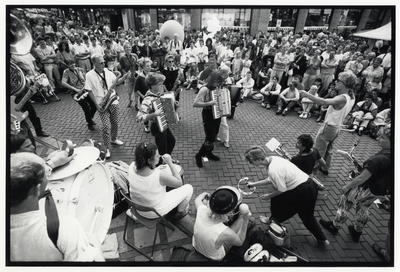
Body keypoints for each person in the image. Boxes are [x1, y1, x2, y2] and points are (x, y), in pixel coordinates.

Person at [10, 152, 104, 261]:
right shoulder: (64, 228)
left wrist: (52, 163)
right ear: (37, 188)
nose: (48, 177)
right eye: (45, 176)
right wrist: (97, 250)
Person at [319, 125, 392, 243]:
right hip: (377, 191)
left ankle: (335, 226)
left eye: (382, 137)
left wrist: (347, 186)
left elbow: (362, 178)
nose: (378, 138)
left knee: (345, 203)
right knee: (363, 208)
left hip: (364, 188)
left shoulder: (378, 159)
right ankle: (357, 231)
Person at [244, 146, 329, 245]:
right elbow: (271, 179)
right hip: (310, 186)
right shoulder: (273, 159)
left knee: (277, 201)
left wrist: (268, 196)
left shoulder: (273, 169)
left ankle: (273, 222)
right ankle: (322, 239)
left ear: (258, 159)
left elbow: (281, 189)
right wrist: (253, 184)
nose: (251, 164)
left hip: (301, 191)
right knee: (306, 215)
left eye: (251, 161)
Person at [299, 71, 356, 175]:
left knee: (317, 152)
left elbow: (323, 102)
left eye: (338, 81)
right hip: (336, 128)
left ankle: (312, 172)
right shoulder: (351, 96)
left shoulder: (342, 98)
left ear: (345, 84)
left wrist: (306, 94)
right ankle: (325, 168)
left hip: (329, 127)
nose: (336, 82)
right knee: (328, 149)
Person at [128, 142, 193, 219]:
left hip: (138, 208)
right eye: (157, 156)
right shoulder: (159, 175)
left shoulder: (132, 165)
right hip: (154, 212)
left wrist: (155, 169)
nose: (159, 157)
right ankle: (179, 213)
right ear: (149, 161)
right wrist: (170, 163)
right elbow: (179, 182)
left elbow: (144, 178)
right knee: (189, 188)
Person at [84, 53, 126, 159]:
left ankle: (114, 138)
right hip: (101, 103)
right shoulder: (89, 75)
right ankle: (107, 148)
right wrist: (96, 104)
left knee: (115, 123)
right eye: (101, 63)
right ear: (94, 63)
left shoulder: (108, 71)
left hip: (113, 100)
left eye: (104, 62)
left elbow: (115, 83)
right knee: (106, 126)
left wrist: (123, 78)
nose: (103, 64)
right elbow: (89, 91)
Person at [192, 189, 252, 261]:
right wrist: (245, 220)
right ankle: (247, 220)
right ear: (229, 212)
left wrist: (204, 193)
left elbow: (197, 199)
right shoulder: (226, 232)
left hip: (196, 246)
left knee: (226, 234)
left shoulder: (201, 209)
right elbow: (240, 242)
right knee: (242, 219)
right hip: (214, 258)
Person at [136, 73, 177, 165]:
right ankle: (161, 164)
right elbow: (139, 118)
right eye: (159, 84)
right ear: (152, 85)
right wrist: (154, 114)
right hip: (157, 127)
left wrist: (174, 104)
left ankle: (166, 160)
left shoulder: (158, 94)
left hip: (164, 124)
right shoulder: (148, 99)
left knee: (171, 141)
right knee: (162, 149)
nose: (162, 86)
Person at [193, 71, 226, 168]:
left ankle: (209, 153)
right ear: (213, 80)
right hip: (208, 114)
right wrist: (209, 103)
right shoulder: (204, 89)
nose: (218, 85)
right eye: (217, 82)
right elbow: (195, 103)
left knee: (213, 135)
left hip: (217, 114)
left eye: (220, 83)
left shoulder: (217, 86)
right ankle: (199, 155)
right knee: (211, 137)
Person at [61, 59, 97, 131]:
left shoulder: (80, 69)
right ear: (67, 65)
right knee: (86, 108)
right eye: (70, 64)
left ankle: (90, 117)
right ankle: (89, 123)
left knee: (94, 105)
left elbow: (86, 79)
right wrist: (74, 89)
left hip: (85, 90)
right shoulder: (66, 72)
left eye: (73, 63)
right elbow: (63, 83)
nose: (73, 65)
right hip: (77, 93)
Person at [134, 57, 153, 132]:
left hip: (152, 97)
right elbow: (136, 90)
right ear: (143, 67)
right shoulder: (139, 77)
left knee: (153, 111)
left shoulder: (151, 75)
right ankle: (146, 125)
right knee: (145, 112)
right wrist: (143, 97)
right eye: (147, 66)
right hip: (144, 99)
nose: (149, 67)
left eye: (150, 66)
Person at [119, 43, 138, 108]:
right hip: (128, 76)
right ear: (124, 49)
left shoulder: (134, 55)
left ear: (131, 48)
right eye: (126, 47)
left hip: (135, 75)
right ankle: (130, 100)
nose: (128, 49)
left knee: (136, 89)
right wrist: (126, 74)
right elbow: (122, 68)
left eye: (129, 47)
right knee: (129, 91)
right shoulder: (122, 58)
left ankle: (136, 103)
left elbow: (137, 65)